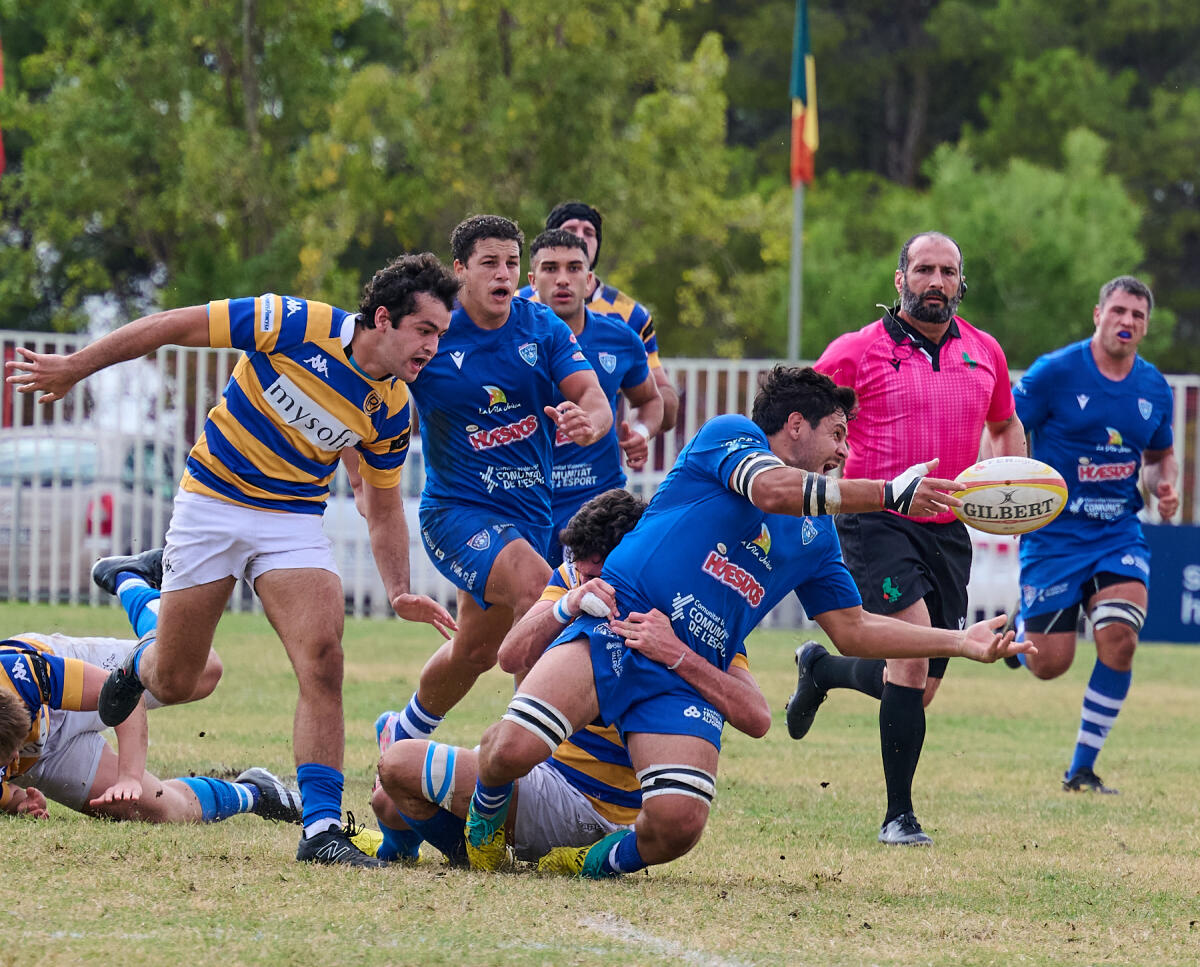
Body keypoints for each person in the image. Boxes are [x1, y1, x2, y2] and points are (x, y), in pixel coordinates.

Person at [460, 366, 1032, 878]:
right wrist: (888, 492)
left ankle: (586, 862)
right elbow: (772, 490)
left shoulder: (815, 535)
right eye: (837, 434)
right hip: (618, 625)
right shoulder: (730, 436)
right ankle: (483, 827)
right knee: (508, 750)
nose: (844, 451)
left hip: (688, 669)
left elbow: (854, 629)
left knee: (678, 823)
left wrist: (959, 641)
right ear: (795, 425)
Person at [5, 253, 462, 866]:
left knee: (324, 660)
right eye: (425, 331)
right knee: (178, 680)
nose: (432, 346)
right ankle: (140, 613)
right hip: (212, 504)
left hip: (291, 522)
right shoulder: (293, 324)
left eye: (440, 335)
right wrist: (75, 367)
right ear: (383, 317)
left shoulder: (392, 409)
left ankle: (322, 829)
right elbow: (171, 324)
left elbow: (382, 509)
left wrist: (400, 589)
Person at [788, 232, 1026, 847]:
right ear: (900, 280)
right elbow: (800, 418)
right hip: (877, 519)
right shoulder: (856, 351)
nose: (936, 282)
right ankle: (899, 817)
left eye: (948, 272)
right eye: (924, 269)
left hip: (949, 529)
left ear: (960, 284)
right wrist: (814, 484)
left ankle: (824, 670)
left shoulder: (986, 352)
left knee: (919, 684)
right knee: (914, 654)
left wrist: (1014, 486)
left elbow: (1004, 425)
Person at [380, 215, 611, 751]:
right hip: (456, 513)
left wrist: (590, 421)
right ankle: (539, 756)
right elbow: (370, 374)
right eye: (489, 263)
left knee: (477, 652)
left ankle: (402, 731)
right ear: (460, 270)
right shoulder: (431, 332)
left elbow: (594, 399)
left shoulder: (542, 327)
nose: (503, 274)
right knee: (540, 591)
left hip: (529, 514)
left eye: (511, 262)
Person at [370, 489, 653, 865]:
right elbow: (511, 656)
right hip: (546, 773)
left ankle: (480, 856)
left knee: (399, 763)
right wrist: (566, 604)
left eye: (593, 572)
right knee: (386, 801)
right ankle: (397, 852)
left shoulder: (654, 605)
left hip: (588, 803)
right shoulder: (573, 579)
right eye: (578, 569)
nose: (583, 579)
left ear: (629, 558)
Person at [1007, 276, 1178, 794]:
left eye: (1138, 316)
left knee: (1120, 638)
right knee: (1049, 664)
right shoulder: (1054, 373)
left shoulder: (1153, 388)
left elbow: (1157, 457)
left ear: (1145, 327)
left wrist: (1163, 485)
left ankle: (1081, 768)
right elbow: (1004, 424)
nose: (1128, 321)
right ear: (1098, 313)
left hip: (1117, 532)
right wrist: (1005, 487)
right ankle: (1015, 634)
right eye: (1119, 311)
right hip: (1054, 535)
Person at [1, 550, 303, 826]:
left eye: (10, 753)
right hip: (45, 754)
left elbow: (123, 693)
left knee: (201, 671)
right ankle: (256, 791)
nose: (14, 757)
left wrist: (129, 776)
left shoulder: (22, 674)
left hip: (65, 687)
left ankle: (128, 579)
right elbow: (10, 796)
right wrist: (20, 803)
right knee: (163, 811)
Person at [527, 228, 663, 565]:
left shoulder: (620, 338)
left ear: (589, 281)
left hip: (597, 500)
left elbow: (651, 400)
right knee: (519, 609)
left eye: (573, 268)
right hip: (526, 500)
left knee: (604, 605)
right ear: (532, 281)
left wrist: (640, 433)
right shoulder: (510, 339)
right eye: (550, 269)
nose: (562, 279)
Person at [518, 200, 679, 431]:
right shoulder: (514, 306)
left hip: (599, 457)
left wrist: (642, 430)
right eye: (571, 230)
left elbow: (658, 396)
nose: (581, 237)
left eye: (589, 232)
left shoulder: (631, 315)